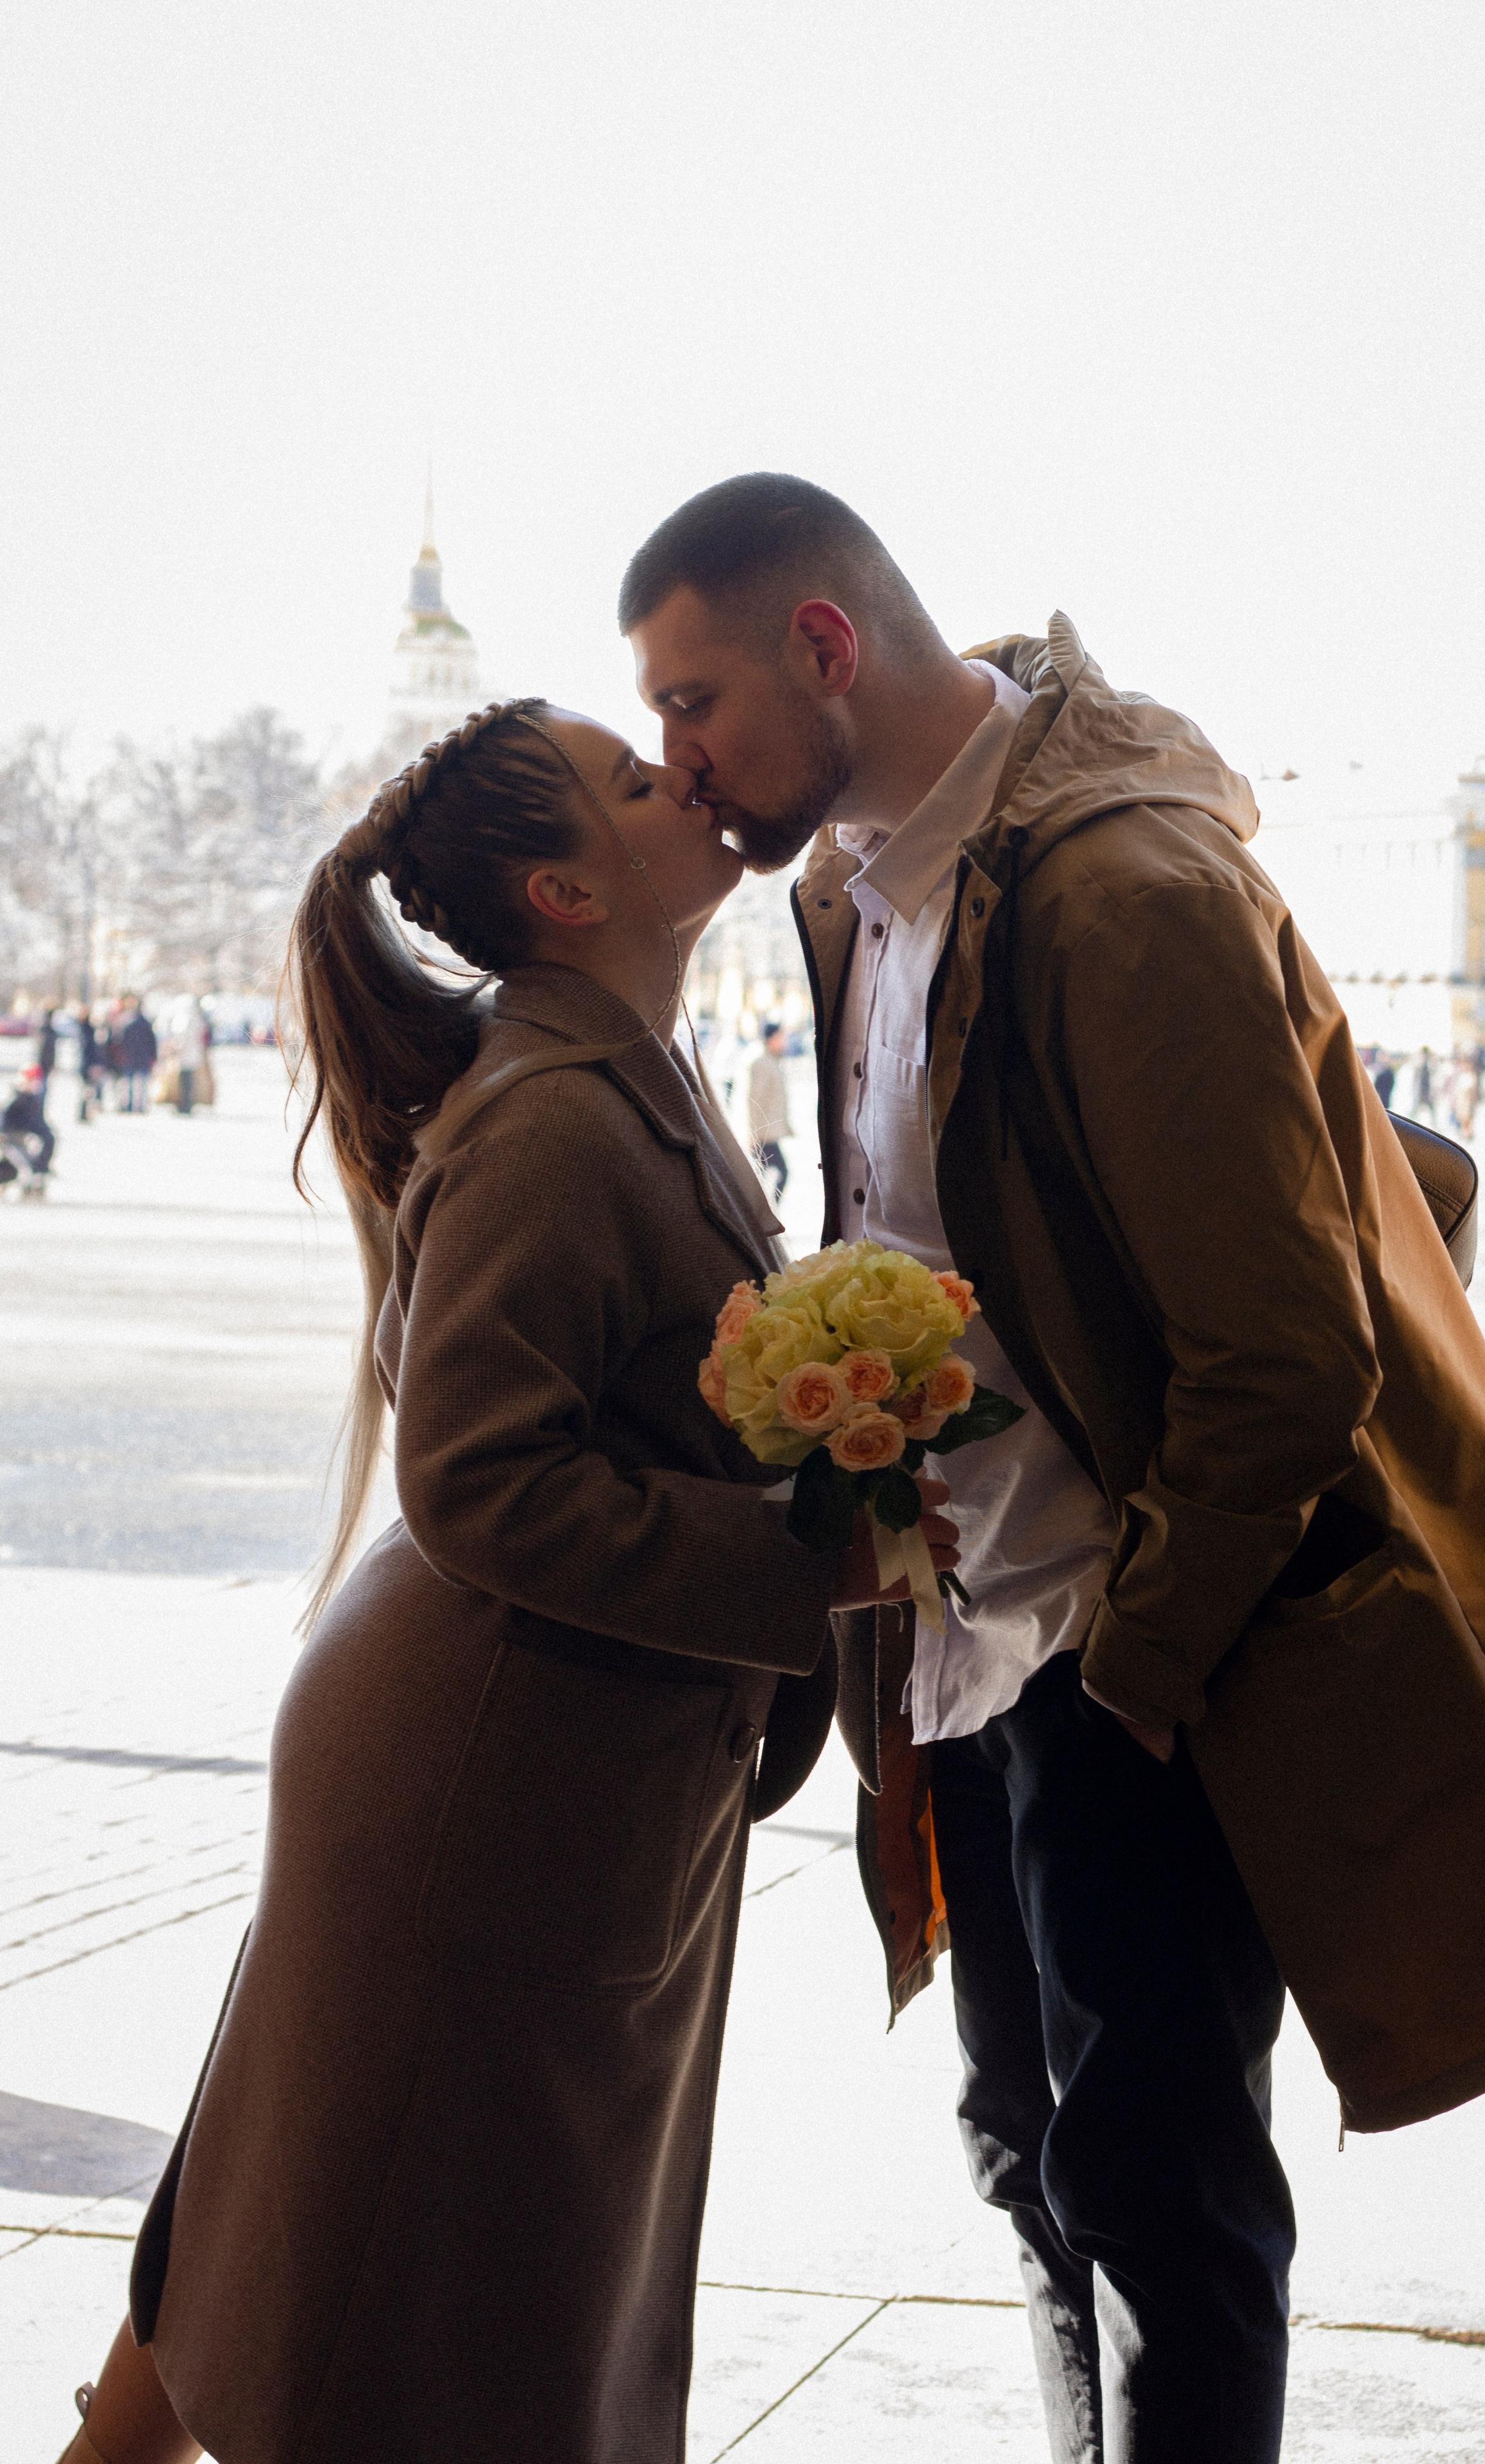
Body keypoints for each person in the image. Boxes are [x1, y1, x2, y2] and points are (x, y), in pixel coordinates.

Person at [621, 473, 1485, 2464]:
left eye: (693, 701)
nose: (677, 762)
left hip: (1122, 1644)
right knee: (1027, 2155)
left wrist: (1141, 1666)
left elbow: (1280, 1356)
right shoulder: (849, 886)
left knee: (1162, 2198)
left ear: (821, 646)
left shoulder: (1122, 888)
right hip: (964, 1641)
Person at [56, 695, 958, 2464]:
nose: (683, 770)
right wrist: (823, 1555)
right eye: (637, 776)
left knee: (343, 2226)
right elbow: (478, 1473)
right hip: (491, 1772)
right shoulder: (555, 1113)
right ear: (560, 889)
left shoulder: (618, 1064)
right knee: (443, 2293)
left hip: (535, 1749)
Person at [747, 1016, 792, 1201]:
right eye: (782, 1037)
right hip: (762, 1136)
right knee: (781, 1172)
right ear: (772, 1038)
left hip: (767, 1133)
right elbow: (752, 1100)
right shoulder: (761, 1061)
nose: (784, 1041)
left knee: (760, 1178)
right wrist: (751, 1134)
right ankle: (766, 1214)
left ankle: (761, 1215)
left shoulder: (770, 1059)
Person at [3, 1063, 55, 1181]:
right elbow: (6, 1120)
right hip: (15, 1138)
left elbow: (38, 1120)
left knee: (49, 1139)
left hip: (28, 1135)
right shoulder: (17, 1099)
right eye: (31, 1081)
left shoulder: (34, 1099)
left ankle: (41, 1169)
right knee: (20, 1167)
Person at [118, 999, 158, 1112]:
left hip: (131, 1057)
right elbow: (152, 1042)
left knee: (130, 1083)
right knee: (143, 1084)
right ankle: (141, 1106)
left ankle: (130, 1105)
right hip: (143, 1057)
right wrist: (153, 1056)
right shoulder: (146, 1024)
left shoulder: (129, 1024)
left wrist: (124, 1055)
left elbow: (124, 1042)